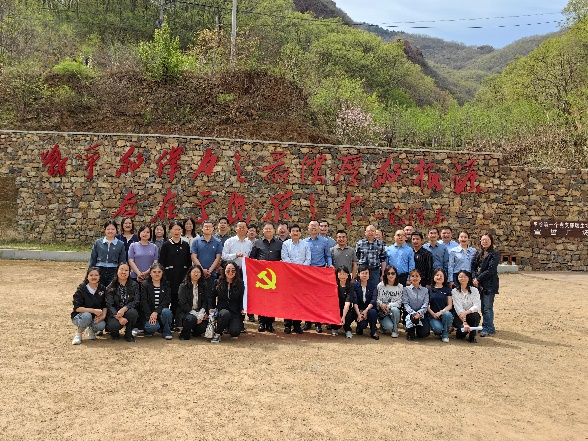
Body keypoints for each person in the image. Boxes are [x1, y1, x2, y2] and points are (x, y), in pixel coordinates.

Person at [249, 222, 282, 332]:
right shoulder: (257, 243)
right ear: (262, 231)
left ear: (274, 231)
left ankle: (270, 323)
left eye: (270, 229)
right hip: (261, 277)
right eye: (266, 229)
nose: (268, 230)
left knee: (272, 300)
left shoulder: (279, 243)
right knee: (262, 300)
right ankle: (262, 323)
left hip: (274, 277)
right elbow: (252, 258)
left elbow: (282, 259)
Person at [159, 219, 191, 323]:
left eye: (179, 229)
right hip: (170, 277)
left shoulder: (185, 245)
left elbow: (189, 262)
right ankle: (167, 322)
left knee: (179, 299)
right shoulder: (166, 245)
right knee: (169, 298)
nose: (177, 232)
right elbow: (162, 262)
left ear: (182, 230)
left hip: (182, 276)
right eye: (174, 229)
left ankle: (178, 322)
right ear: (170, 230)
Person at [303, 220, 332, 333]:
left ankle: (318, 323)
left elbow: (328, 256)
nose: (314, 228)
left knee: (318, 298)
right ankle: (307, 322)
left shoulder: (325, 241)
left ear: (319, 228)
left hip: (320, 271)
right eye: (312, 226)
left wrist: (330, 265)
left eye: (315, 226)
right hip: (308, 272)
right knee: (307, 298)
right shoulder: (304, 242)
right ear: (308, 228)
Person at [281, 224, 311, 334]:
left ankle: (297, 324)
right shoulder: (285, 244)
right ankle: (287, 325)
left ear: (300, 233)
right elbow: (285, 258)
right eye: (293, 231)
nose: (295, 233)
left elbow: (308, 259)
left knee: (299, 300)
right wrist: (294, 269)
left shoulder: (305, 244)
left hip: (301, 277)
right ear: (289, 233)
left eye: (297, 231)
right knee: (288, 301)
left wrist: (301, 270)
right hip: (289, 276)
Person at [209, 261, 245, 343]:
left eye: (233, 270)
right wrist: (211, 308)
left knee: (235, 333)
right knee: (225, 314)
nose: (230, 272)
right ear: (224, 271)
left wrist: (242, 309)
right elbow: (212, 296)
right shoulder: (218, 282)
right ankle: (218, 333)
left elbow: (241, 298)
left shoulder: (240, 283)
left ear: (236, 271)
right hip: (222, 311)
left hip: (235, 312)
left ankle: (229, 326)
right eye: (228, 270)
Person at [190, 220, 223, 311]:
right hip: (198, 274)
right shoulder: (196, 241)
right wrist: (202, 270)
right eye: (206, 226)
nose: (208, 228)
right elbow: (193, 256)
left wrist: (210, 270)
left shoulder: (217, 242)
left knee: (211, 296)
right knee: (199, 295)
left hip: (212, 274)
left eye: (210, 226)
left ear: (213, 228)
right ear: (202, 228)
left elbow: (218, 257)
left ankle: (210, 316)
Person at [105, 262, 140, 342]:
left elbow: (136, 301)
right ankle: (114, 333)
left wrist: (125, 308)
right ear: (117, 271)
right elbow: (109, 305)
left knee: (133, 313)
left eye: (126, 270)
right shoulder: (110, 286)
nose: (123, 272)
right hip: (114, 314)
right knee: (113, 325)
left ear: (129, 272)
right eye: (121, 269)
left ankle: (128, 333)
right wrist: (119, 317)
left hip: (127, 311)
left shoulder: (134, 285)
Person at [71, 267, 107, 345]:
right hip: (80, 316)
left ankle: (90, 330)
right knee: (87, 316)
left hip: (94, 317)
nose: (93, 277)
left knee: (101, 325)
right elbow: (77, 308)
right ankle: (78, 334)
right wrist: (93, 311)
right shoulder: (81, 289)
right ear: (87, 276)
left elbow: (105, 305)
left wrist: (103, 316)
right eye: (91, 275)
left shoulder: (102, 288)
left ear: (99, 277)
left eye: (96, 275)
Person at [472, 233, 500, 337]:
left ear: (491, 241)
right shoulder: (479, 253)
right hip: (479, 285)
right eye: (483, 240)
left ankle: (488, 328)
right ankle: (488, 326)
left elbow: (490, 270)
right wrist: (474, 278)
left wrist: (478, 279)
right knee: (483, 307)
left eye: (487, 240)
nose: (484, 242)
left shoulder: (494, 254)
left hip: (489, 285)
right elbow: (473, 267)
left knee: (487, 307)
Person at [140, 263, 173, 339]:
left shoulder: (166, 285)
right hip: (149, 312)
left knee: (167, 312)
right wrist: (150, 315)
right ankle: (151, 329)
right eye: (154, 272)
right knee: (151, 328)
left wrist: (156, 312)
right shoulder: (145, 285)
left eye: (159, 272)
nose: (157, 274)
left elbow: (166, 300)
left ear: (162, 273)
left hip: (161, 311)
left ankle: (167, 332)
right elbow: (144, 302)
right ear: (150, 273)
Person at [177, 264, 209, 340]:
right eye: (194, 272)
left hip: (199, 311)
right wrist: (195, 314)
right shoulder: (183, 286)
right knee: (191, 319)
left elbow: (205, 300)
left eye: (198, 272)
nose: (196, 274)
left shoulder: (204, 285)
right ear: (189, 273)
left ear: (201, 274)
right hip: (186, 312)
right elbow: (182, 303)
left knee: (203, 326)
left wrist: (202, 312)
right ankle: (184, 334)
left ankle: (195, 332)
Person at [89, 220, 126, 286]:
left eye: (113, 229)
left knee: (111, 290)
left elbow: (122, 261)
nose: (110, 231)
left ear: (116, 230)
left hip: (113, 271)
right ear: (105, 230)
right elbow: (93, 259)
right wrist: (90, 271)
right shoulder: (98, 242)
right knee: (99, 289)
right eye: (108, 229)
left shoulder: (120, 244)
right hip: (99, 270)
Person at [452, 270, 481, 343]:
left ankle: (472, 336)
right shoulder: (454, 291)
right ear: (457, 279)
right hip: (459, 316)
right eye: (460, 277)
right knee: (462, 333)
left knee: (476, 315)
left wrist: (466, 312)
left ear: (469, 278)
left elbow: (477, 305)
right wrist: (464, 323)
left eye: (465, 277)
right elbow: (458, 308)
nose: (463, 279)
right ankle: (460, 333)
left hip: (470, 315)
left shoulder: (474, 290)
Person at [332, 266, 361, 338]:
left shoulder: (350, 287)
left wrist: (343, 316)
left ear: (348, 275)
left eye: (344, 274)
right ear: (337, 274)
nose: (342, 276)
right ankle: (334, 328)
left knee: (348, 316)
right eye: (340, 273)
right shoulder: (334, 285)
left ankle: (348, 330)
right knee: (335, 322)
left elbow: (347, 303)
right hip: (335, 309)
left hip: (346, 309)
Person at [351, 265, 379, 340]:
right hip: (359, 310)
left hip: (369, 309)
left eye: (366, 273)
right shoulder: (355, 286)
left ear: (369, 275)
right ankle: (359, 327)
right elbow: (355, 301)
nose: (364, 275)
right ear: (359, 274)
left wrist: (366, 310)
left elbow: (373, 300)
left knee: (373, 312)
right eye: (362, 273)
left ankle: (373, 331)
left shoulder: (373, 285)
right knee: (362, 325)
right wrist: (359, 314)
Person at [402, 269, 430, 340]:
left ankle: (418, 329)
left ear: (420, 278)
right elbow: (405, 304)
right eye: (412, 276)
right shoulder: (406, 289)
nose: (415, 278)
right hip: (410, 314)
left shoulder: (425, 290)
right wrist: (413, 313)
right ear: (410, 278)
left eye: (417, 276)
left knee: (424, 333)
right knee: (412, 320)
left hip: (421, 315)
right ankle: (410, 331)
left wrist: (419, 313)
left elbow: (425, 304)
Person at [376, 265, 403, 338]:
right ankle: (383, 326)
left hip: (393, 311)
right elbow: (377, 299)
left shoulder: (400, 287)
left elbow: (399, 302)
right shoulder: (380, 285)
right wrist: (381, 304)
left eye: (393, 273)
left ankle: (395, 330)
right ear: (386, 275)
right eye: (388, 273)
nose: (391, 275)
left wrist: (389, 306)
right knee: (388, 327)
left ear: (396, 274)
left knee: (395, 309)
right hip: (383, 312)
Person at [427, 269, 453, 343]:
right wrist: (433, 314)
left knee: (447, 314)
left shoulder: (447, 289)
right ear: (433, 277)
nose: (439, 277)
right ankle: (440, 330)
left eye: (441, 276)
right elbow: (426, 305)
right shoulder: (429, 289)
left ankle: (445, 334)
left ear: (444, 278)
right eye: (437, 275)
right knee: (438, 329)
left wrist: (441, 312)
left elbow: (450, 305)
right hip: (433, 315)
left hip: (444, 314)